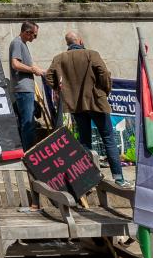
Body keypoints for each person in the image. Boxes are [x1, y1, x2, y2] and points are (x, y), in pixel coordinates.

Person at [45, 31, 131, 187]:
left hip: (76, 106)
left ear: (67, 43)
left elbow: (48, 76)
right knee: (109, 140)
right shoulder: (92, 54)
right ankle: (119, 179)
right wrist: (104, 90)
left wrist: (59, 89)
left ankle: (87, 179)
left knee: (84, 142)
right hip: (96, 102)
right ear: (80, 40)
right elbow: (104, 73)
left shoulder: (60, 58)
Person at [9, 21, 44, 150]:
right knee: (28, 123)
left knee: (28, 121)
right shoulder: (17, 43)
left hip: (25, 88)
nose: (34, 38)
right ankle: (29, 152)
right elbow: (15, 64)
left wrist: (41, 71)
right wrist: (33, 70)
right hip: (23, 89)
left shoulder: (22, 44)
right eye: (34, 35)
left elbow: (30, 64)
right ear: (27, 32)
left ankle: (29, 150)